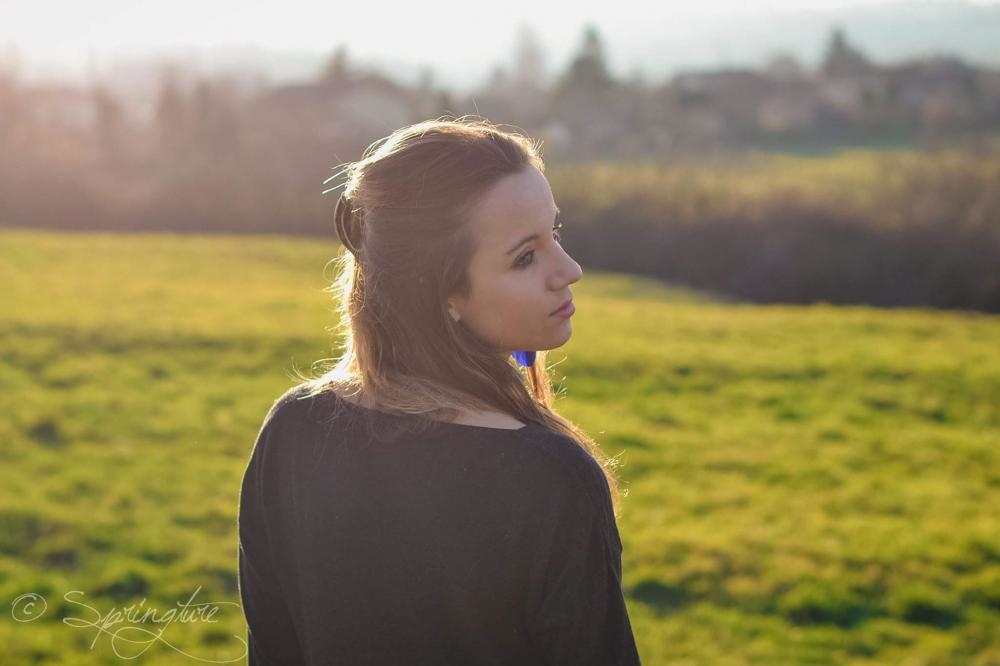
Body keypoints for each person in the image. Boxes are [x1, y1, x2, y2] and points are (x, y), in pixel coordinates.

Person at [237, 116, 642, 665]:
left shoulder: (292, 430)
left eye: (556, 233)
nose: (569, 270)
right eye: (525, 256)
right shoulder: (550, 480)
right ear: (442, 293)